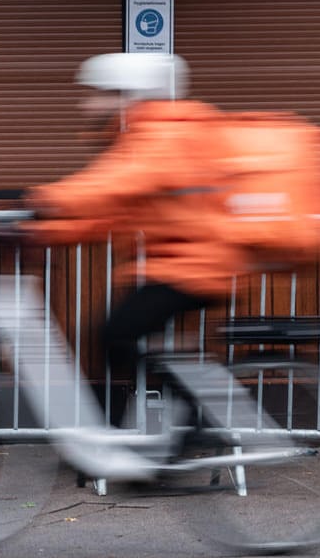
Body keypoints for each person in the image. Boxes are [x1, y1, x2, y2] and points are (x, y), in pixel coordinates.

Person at [22, 52, 248, 427]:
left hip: (196, 267)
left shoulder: (165, 134)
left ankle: (190, 418)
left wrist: (43, 200)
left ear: (129, 96)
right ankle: (148, 436)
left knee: (114, 333)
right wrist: (42, 233)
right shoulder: (141, 137)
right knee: (118, 337)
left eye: (100, 94)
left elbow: (116, 184)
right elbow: (111, 216)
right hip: (177, 265)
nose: (87, 103)